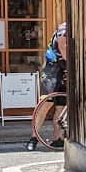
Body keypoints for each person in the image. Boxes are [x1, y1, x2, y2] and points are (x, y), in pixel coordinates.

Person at [31, 21, 68, 150]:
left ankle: (58, 139)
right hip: (52, 70)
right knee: (46, 104)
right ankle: (33, 138)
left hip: (64, 70)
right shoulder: (64, 30)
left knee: (61, 107)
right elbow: (65, 53)